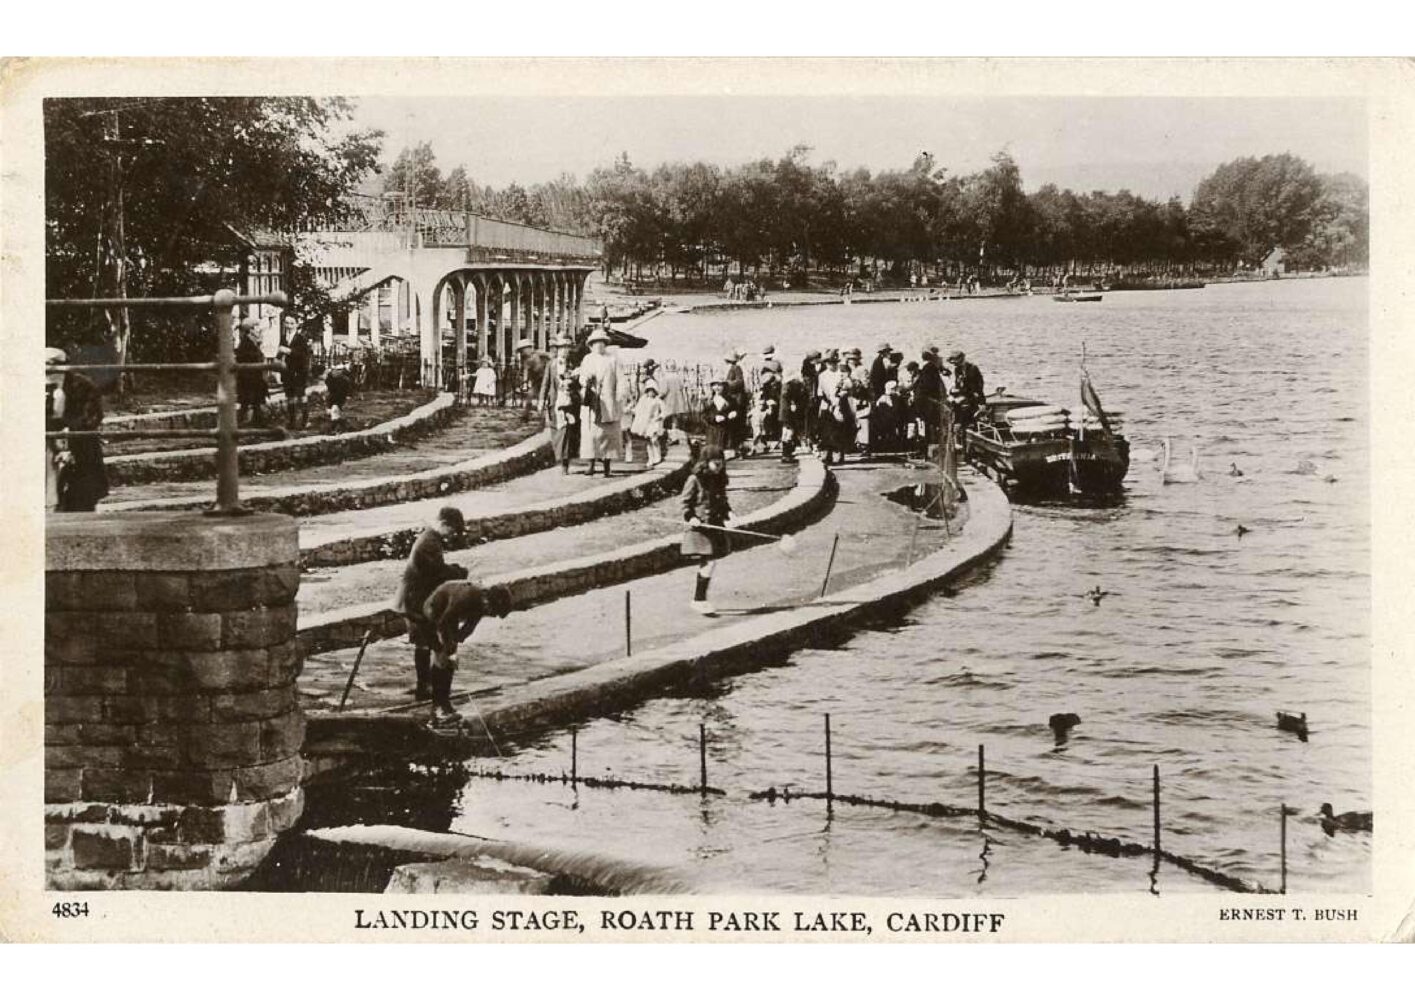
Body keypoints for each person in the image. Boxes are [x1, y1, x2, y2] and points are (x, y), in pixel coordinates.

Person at [392, 506, 469, 704]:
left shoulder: (433, 539)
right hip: (415, 598)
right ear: (443, 524)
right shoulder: (429, 542)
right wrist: (457, 571)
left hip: (418, 596)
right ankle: (424, 686)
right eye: (452, 531)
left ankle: (424, 685)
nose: (452, 536)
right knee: (424, 641)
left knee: (423, 642)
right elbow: (436, 572)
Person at [421, 579, 514, 723]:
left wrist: (457, 641)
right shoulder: (467, 596)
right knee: (442, 657)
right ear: (488, 601)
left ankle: (445, 703)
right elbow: (443, 622)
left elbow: (469, 627)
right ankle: (437, 706)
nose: (492, 615)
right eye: (493, 612)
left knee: (450, 660)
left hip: (449, 616)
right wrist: (449, 647)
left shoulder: (482, 603)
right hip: (435, 610)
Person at [46, 347, 109, 512]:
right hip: (47, 445)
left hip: (78, 443)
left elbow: (92, 416)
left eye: (50, 364)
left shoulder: (82, 385)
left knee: (82, 495)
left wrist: (67, 430)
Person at [680, 445, 733, 615]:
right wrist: (691, 518)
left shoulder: (719, 479)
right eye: (715, 464)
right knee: (709, 562)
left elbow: (722, 502)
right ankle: (699, 600)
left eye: (721, 464)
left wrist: (730, 515)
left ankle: (699, 599)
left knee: (710, 562)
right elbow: (685, 504)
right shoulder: (694, 479)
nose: (719, 467)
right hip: (700, 529)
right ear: (705, 463)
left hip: (715, 525)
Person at [577, 328, 623, 476]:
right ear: (591, 345)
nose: (599, 346)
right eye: (596, 343)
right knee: (590, 434)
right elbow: (581, 378)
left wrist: (620, 397)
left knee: (608, 435)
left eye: (602, 343)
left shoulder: (613, 359)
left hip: (608, 402)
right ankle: (590, 464)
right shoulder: (587, 359)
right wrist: (586, 381)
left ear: (605, 344)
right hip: (592, 401)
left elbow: (621, 380)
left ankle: (607, 467)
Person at [279, 317, 312, 430]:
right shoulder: (283, 338)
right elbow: (280, 354)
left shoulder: (301, 338)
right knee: (290, 396)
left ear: (296, 325)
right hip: (288, 372)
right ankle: (292, 421)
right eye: (287, 323)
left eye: (291, 323)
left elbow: (304, 355)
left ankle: (305, 420)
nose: (289, 325)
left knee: (301, 395)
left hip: (299, 372)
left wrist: (289, 351)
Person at [235, 318, 268, 426]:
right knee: (248, 402)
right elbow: (246, 359)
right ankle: (237, 423)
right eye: (257, 327)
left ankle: (258, 422)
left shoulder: (253, 342)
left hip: (255, 377)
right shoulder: (246, 344)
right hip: (248, 378)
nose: (259, 330)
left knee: (256, 401)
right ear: (251, 330)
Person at [948, 349, 985, 438]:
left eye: (956, 362)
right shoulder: (957, 370)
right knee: (950, 401)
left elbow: (979, 385)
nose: (955, 364)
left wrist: (971, 393)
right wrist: (954, 391)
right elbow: (957, 384)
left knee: (959, 403)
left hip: (974, 395)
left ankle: (961, 424)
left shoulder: (972, 368)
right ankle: (957, 425)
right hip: (963, 394)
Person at [629, 383, 666, 466]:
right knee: (648, 441)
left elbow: (664, 411)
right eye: (649, 391)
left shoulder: (658, 401)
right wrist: (631, 410)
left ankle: (658, 457)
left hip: (655, 422)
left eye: (652, 391)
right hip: (646, 423)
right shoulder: (643, 400)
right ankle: (650, 458)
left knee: (654, 440)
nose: (650, 393)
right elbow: (638, 410)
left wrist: (659, 417)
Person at [551, 373, 581, 474]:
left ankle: (567, 462)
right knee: (564, 440)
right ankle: (564, 464)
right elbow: (559, 405)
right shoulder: (561, 395)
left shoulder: (575, 395)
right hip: (563, 416)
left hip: (573, 413)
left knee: (571, 440)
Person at [723, 348, 749, 458]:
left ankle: (736, 449)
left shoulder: (736, 368)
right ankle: (736, 448)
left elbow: (739, 382)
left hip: (737, 401)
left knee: (736, 425)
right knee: (735, 425)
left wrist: (726, 384)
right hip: (735, 399)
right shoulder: (734, 368)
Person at [779, 370, 809, 463]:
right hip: (788, 412)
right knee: (788, 432)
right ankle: (786, 454)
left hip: (785, 412)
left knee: (787, 432)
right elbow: (788, 396)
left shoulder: (786, 385)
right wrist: (792, 403)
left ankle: (787, 454)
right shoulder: (789, 385)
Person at [701, 377, 737, 452]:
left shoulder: (731, 400)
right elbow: (703, 416)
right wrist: (714, 418)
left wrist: (733, 414)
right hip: (712, 435)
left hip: (726, 435)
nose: (717, 387)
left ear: (725, 386)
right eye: (714, 385)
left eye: (720, 385)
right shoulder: (708, 401)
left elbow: (737, 413)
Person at [515, 338, 549, 410]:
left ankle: (546, 410)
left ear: (529, 348)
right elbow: (525, 371)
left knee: (548, 395)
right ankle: (525, 415)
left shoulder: (539, 354)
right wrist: (525, 383)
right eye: (521, 351)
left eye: (523, 350)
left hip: (546, 378)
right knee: (530, 395)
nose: (523, 352)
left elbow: (551, 356)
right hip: (536, 380)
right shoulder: (526, 360)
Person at [324, 361, 352, 432]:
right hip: (332, 397)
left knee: (334, 411)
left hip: (339, 398)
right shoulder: (330, 379)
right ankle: (340, 426)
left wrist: (348, 396)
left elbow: (347, 391)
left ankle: (334, 429)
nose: (336, 372)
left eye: (339, 370)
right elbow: (329, 388)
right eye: (335, 370)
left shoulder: (345, 380)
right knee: (332, 412)